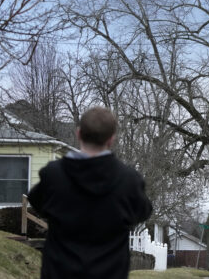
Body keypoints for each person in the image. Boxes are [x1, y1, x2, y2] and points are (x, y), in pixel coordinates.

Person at [28, 107, 152, 279]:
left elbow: (36, 202)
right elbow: (142, 212)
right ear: (111, 139)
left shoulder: (54, 176)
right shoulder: (129, 181)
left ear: (78, 134)